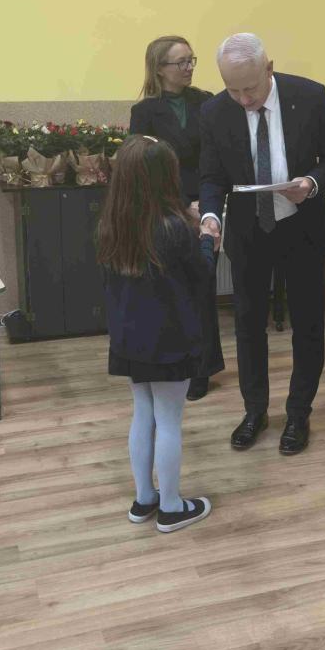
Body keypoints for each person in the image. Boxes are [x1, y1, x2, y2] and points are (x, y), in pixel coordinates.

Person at [199, 32, 325, 455]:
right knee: (248, 324)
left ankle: (299, 413)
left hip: (302, 226)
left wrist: (311, 182)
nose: (243, 100)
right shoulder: (214, 112)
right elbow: (211, 177)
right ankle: (254, 411)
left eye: (250, 89)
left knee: (307, 323)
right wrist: (210, 217)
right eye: (233, 90)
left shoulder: (309, 96)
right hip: (249, 232)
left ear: (269, 69)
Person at [98, 134, 214, 533]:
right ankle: (171, 507)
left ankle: (144, 497)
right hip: (169, 339)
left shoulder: (111, 225)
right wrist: (207, 239)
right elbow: (202, 277)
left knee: (142, 414)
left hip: (128, 337)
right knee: (168, 421)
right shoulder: (174, 228)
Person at [129, 34, 225, 401]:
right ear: (159, 68)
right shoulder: (145, 112)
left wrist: (206, 204)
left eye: (191, 60)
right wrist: (183, 205)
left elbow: (217, 154)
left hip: (208, 204)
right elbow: (143, 167)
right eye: (180, 62)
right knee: (173, 292)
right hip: (167, 210)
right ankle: (174, 362)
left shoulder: (207, 102)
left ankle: (203, 368)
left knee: (203, 288)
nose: (188, 68)